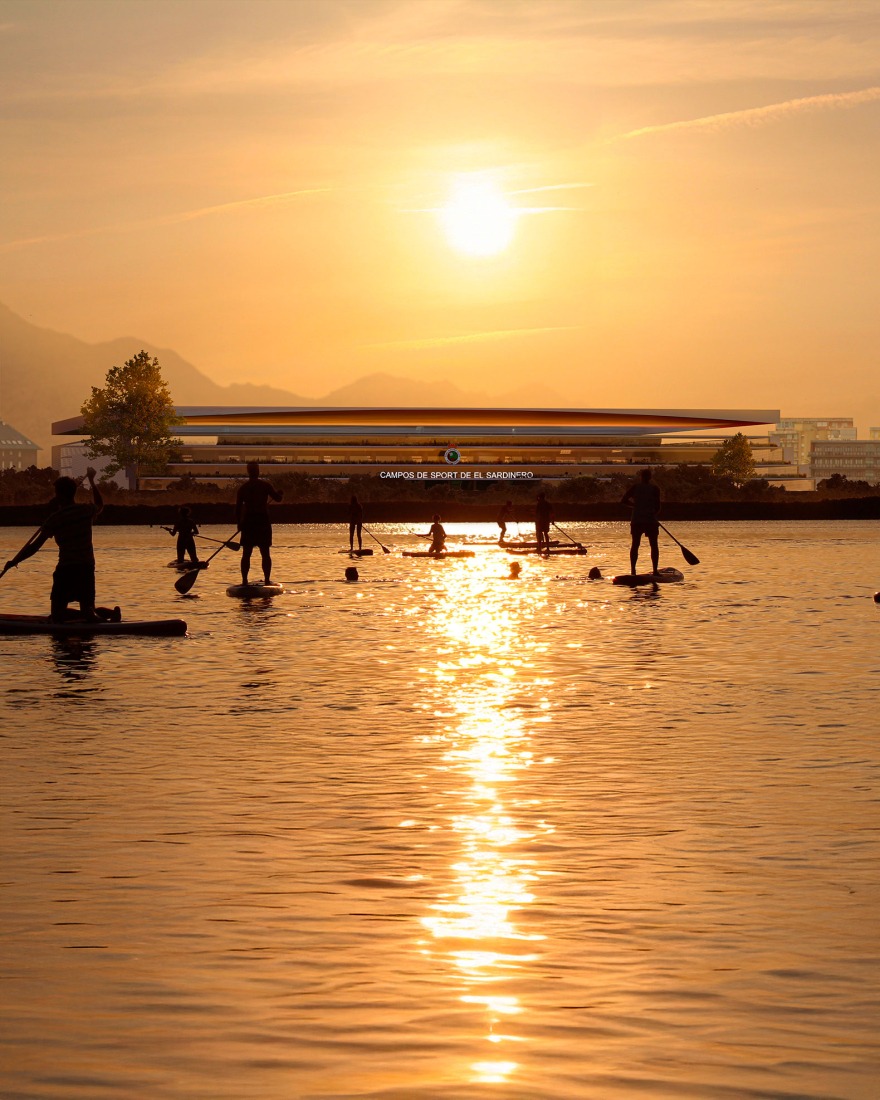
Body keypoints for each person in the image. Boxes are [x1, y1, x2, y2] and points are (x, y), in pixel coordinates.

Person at [2, 467, 119, 622]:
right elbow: (99, 504)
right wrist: (91, 480)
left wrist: (15, 561)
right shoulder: (85, 510)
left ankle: (88, 615)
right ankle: (109, 614)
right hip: (86, 567)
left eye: (56, 493)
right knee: (88, 607)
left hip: (67, 568)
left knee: (57, 615)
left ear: (60, 495)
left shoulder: (55, 518)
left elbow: (35, 547)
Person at [235, 461, 283, 585]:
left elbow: (238, 508)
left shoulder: (243, 488)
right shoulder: (265, 485)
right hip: (262, 521)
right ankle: (267, 579)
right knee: (265, 552)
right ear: (258, 471)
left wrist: (239, 524)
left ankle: (244, 580)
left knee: (246, 553)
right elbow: (278, 499)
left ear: (248, 471)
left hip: (248, 522)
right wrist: (280, 494)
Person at [621, 468, 661, 576]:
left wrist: (635, 506)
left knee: (635, 545)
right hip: (650, 520)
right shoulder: (655, 489)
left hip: (637, 519)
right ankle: (655, 571)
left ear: (641, 477)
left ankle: (633, 571)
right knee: (654, 545)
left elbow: (623, 500)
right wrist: (653, 514)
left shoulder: (635, 488)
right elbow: (658, 507)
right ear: (650, 477)